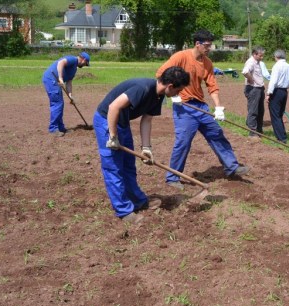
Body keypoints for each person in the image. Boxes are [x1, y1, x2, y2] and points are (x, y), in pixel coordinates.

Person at [93, 66, 190, 224]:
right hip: (107, 121)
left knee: (129, 165)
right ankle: (123, 210)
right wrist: (112, 136)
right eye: (178, 91)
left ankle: (138, 201)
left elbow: (147, 119)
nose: (178, 95)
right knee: (114, 167)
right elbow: (113, 107)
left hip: (122, 123)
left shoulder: (158, 96)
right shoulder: (143, 88)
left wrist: (146, 147)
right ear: (170, 86)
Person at [156, 29, 250, 191]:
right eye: (206, 45)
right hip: (183, 107)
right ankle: (172, 177)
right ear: (197, 44)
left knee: (217, 134)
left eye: (210, 45)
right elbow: (160, 74)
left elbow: (212, 86)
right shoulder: (181, 57)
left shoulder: (207, 63)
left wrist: (218, 107)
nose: (209, 48)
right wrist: (171, 96)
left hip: (200, 106)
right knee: (183, 142)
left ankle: (231, 167)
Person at [41, 52, 90, 137]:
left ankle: (60, 127)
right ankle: (53, 129)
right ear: (84, 60)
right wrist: (60, 78)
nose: (85, 65)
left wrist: (70, 95)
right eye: (86, 64)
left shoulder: (74, 68)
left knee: (60, 103)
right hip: (51, 79)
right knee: (57, 103)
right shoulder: (72, 59)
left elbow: (69, 82)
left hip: (55, 81)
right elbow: (61, 63)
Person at [266, 49, 289, 143]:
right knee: (280, 114)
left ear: (276, 57)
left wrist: (268, 94)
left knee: (275, 115)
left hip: (276, 92)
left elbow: (273, 81)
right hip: (284, 92)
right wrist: (286, 85)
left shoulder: (276, 66)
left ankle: (281, 138)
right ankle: (282, 134)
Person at [242, 46, 267, 138]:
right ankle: (252, 132)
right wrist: (251, 79)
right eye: (260, 56)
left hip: (259, 88)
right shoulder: (250, 62)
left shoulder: (258, 62)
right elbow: (245, 72)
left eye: (262, 56)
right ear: (254, 54)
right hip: (253, 89)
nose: (262, 58)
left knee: (261, 110)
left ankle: (259, 130)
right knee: (253, 110)